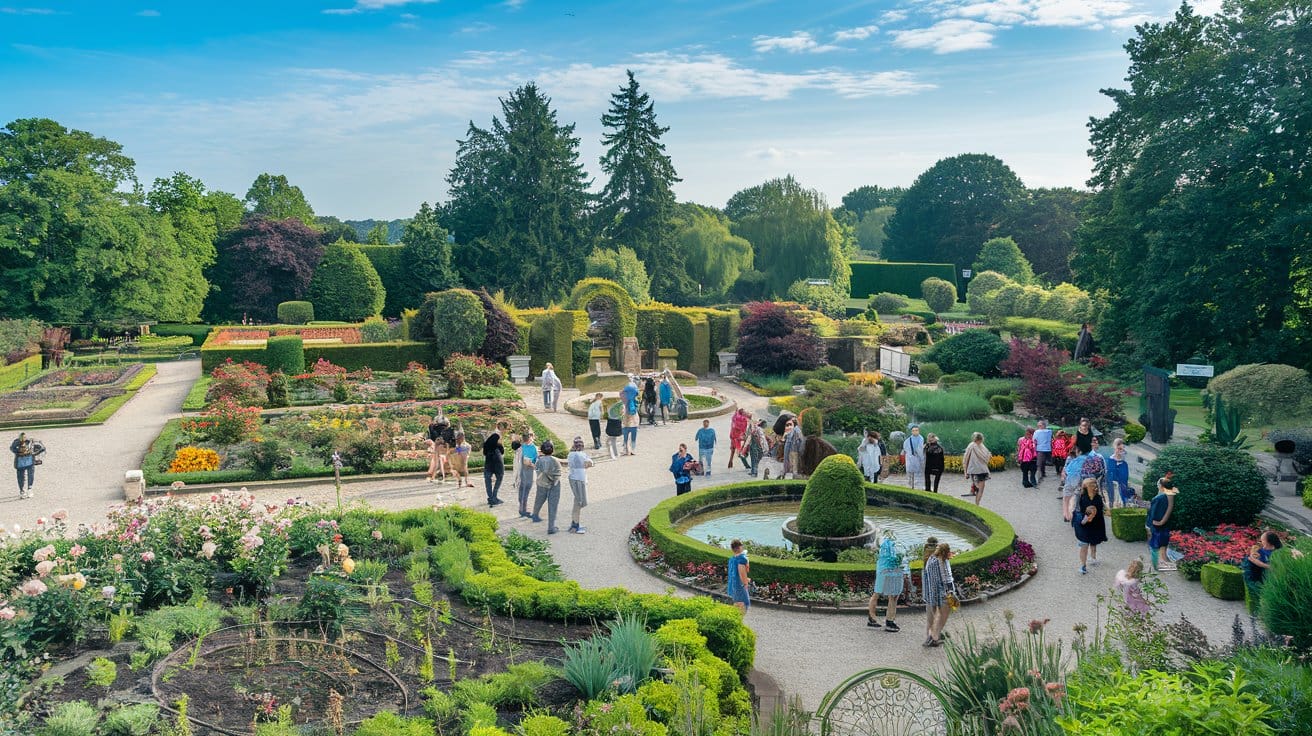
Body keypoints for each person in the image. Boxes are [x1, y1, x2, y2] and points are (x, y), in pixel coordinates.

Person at [867, 533, 905, 632]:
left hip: (882, 571)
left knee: (877, 594)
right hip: (888, 572)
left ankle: (872, 618)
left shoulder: (882, 549)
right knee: (892, 596)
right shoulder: (891, 548)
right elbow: (895, 560)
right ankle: (889, 621)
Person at [922, 542, 955, 648]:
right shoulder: (941, 562)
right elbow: (946, 579)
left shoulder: (930, 560)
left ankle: (930, 636)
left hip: (929, 592)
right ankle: (934, 637)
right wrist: (950, 592)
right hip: (940, 592)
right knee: (942, 615)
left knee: (931, 616)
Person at [1074, 478, 1107, 574]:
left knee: (1092, 543)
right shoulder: (1084, 497)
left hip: (1092, 524)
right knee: (1087, 545)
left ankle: (1090, 560)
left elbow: (1101, 509)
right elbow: (1078, 510)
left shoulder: (1092, 497)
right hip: (1088, 524)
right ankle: (1084, 564)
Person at [1147, 475, 1178, 571]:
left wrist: (1152, 524)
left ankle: (1156, 565)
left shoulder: (1159, 498)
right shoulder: (1169, 495)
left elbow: (1153, 512)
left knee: (1154, 546)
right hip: (1164, 525)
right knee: (1163, 545)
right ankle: (1164, 563)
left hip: (1156, 525)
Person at [531, 441, 563, 533]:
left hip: (541, 484)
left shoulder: (539, 461)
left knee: (539, 500)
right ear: (552, 450)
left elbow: (536, 470)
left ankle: (535, 515)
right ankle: (551, 527)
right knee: (553, 505)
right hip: (554, 485)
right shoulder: (555, 461)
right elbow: (558, 473)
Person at [566, 437, 593, 534]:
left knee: (577, 501)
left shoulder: (570, 454)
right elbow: (589, 464)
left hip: (573, 478)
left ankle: (575, 523)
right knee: (579, 502)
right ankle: (575, 525)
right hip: (580, 480)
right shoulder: (582, 455)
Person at [10, 432, 45, 500]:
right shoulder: (16, 442)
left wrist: (34, 453)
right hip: (20, 462)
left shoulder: (31, 442)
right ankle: (22, 490)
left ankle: (29, 488)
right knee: (20, 477)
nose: (23, 439)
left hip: (29, 461)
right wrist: (18, 452)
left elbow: (42, 448)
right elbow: (12, 448)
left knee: (30, 475)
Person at [962, 433, 991, 506]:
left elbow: (966, 459)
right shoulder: (972, 446)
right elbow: (966, 459)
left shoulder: (981, 446)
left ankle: (977, 504)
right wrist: (965, 472)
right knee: (980, 488)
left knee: (981, 488)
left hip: (981, 469)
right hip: (975, 469)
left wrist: (965, 472)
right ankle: (977, 502)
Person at [482, 421, 507, 506]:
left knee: (487, 480)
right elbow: (502, 452)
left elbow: (484, 453)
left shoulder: (486, 445)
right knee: (499, 478)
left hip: (488, 463)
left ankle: (490, 497)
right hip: (497, 463)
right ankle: (494, 496)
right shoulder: (498, 445)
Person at [515, 432, 539, 519]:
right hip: (525, 471)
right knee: (524, 489)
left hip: (526, 471)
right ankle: (523, 509)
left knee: (523, 490)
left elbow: (535, 459)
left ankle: (522, 508)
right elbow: (534, 460)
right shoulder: (527, 447)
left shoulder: (522, 448)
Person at [1060, 445, 1087, 521]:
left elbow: (1065, 468)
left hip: (1075, 481)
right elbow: (1065, 468)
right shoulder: (1072, 458)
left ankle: (1069, 514)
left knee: (1072, 498)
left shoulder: (1080, 459)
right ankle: (1069, 514)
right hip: (1073, 481)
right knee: (1072, 498)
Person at [1107, 438, 1133, 507]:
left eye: (1122, 449)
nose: (1121, 451)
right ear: (1115, 448)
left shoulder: (1124, 464)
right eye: (1119, 449)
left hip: (1122, 489)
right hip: (1113, 488)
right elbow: (1109, 476)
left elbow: (1125, 479)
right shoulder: (1110, 461)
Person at [727, 539, 751, 611]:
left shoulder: (732, 559)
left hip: (732, 585)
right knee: (744, 605)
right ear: (740, 547)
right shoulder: (742, 559)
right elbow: (742, 572)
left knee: (736, 604)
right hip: (739, 586)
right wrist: (745, 583)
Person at [426, 413, 450, 483]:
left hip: (438, 444)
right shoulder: (444, 428)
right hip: (441, 444)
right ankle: (440, 475)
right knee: (440, 460)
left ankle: (435, 476)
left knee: (437, 461)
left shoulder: (433, 427)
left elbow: (431, 430)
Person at [903, 425, 926, 490]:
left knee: (918, 473)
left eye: (916, 430)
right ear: (911, 432)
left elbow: (920, 449)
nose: (915, 432)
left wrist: (920, 456)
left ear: (918, 431)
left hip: (917, 458)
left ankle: (917, 487)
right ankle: (910, 486)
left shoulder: (921, 438)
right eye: (913, 431)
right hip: (910, 459)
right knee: (909, 472)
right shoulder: (908, 440)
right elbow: (905, 448)